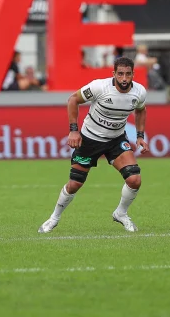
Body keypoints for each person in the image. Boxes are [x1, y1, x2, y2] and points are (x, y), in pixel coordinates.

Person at [38, 57, 148, 234]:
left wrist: (140, 136)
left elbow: (141, 110)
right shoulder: (99, 87)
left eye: (128, 74)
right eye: (120, 74)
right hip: (90, 140)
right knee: (75, 184)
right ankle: (54, 218)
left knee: (134, 179)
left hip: (116, 140)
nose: (124, 78)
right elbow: (73, 99)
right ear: (114, 74)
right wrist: (74, 130)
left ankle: (121, 213)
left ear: (133, 74)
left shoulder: (139, 92)